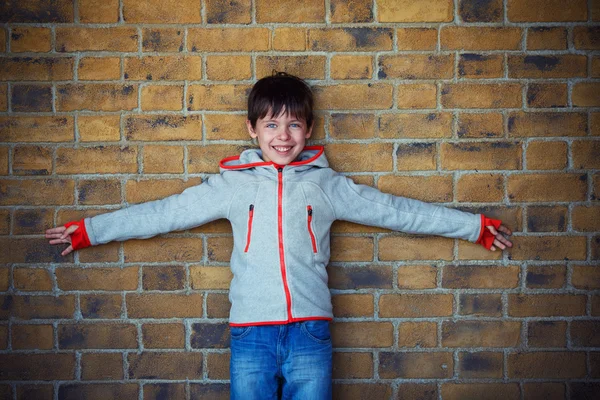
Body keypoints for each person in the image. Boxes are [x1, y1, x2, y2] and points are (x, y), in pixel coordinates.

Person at [46, 72, 513, 399]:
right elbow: (165, 213)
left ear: (308, 128)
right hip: (250, 332)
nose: (283, 135)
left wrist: (473, 226)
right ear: (253, 129)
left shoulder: (326, 186)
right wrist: (90, 231)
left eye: (293, 124)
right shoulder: (232, 185)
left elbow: (397, 211)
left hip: (311, 331)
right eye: (271, 124)